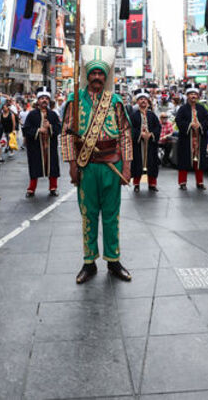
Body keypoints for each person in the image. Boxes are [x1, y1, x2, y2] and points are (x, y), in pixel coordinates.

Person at [62, 46, 133, 284]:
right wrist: (72, 165)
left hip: (112, 165)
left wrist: (127, 167)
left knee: (112, 215)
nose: (97, 77)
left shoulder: (115, 101)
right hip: (87, 167)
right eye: (93, 73)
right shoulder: (74, 99)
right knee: (88, 215)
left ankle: (113, 261)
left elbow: (124, 135)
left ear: (106, 77)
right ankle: (89, 262)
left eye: (101, 74)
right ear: (87, 75)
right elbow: (67, 135)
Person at [22, 86, 62, 197]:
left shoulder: (53, 114)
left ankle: (53, 188)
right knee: (35, 167)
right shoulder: (32, 114)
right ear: (38, 100)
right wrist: (39, 130)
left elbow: (59, 128)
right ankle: (31, 189)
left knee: (52, 167)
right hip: (36, 146)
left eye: (46, 98)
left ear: (49, 100)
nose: (44, 100)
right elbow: (26, 129)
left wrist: (50, 127)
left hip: (50, 146)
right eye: (42, 98)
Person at [175, 83, 208, 190]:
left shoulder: (202, 108)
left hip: (199, 139)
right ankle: (182, 182)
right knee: (184, 160)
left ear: (198, 96)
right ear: (187, 96)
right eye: (191, 94)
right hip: (186, 139)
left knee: (199, 161)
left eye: (195, 94)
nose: (193, 96)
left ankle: (199, 182)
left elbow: (207, 120)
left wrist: (199, 125)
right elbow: (179, 121)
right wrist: (190, 125)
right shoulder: (182, 109)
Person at [129, 88, 161, 193]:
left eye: (145, 99)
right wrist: (140, 134)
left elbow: (158, 127)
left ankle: (152, 184)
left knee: (152, 163)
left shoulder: (152, 115)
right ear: (137, 102)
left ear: (148, 101)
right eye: (141, 99)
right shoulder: (133, 115)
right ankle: (136, 184)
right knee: (137, 163)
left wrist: (151, 134)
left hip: (150, 144)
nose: (143, 101)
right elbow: (130, 128)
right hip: (138, 145)